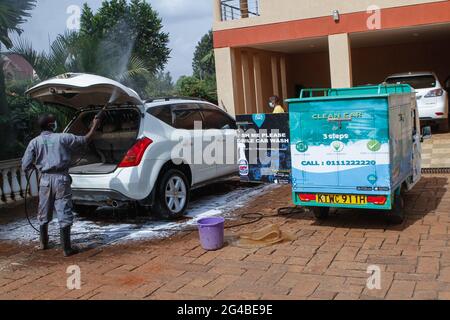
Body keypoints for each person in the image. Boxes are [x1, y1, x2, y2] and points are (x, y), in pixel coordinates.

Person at [22, 114, 101, 257]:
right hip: (61, 179)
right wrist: (94, 125)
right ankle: (66, 249)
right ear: (52, 125)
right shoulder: (63, 138)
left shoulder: (34, 142)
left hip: (45, 180)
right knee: (63, 210)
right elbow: (85, 139)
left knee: (43, 210)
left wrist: (39, 168)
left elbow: (25, 165)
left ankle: (43, 244)